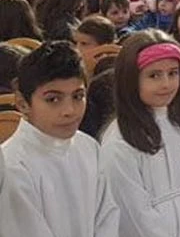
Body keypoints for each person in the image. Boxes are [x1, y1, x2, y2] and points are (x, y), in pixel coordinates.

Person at [99, 30, 180, 236]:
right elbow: (134, 213)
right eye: (154, 75)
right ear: (131, 79)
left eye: (173, 73)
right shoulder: (120, 140)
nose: (166, 84)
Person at [1, 41, 120, 236]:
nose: (69, 111)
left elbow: (107, 215)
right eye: (53, 99)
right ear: (22, 103)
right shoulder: (12, 166)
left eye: (78, 96)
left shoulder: (88, 146)